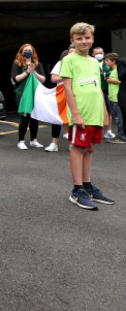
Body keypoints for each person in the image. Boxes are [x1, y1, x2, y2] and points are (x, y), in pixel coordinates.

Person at [61, 22, 114, 210]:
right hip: (81, 113)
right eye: (79, 38)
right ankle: (77, 190)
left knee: (89, 148)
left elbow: (97, 87)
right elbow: (67, 87)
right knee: (78, 147)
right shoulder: (69, 60)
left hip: (96, 113)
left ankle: (88, 185)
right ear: (72, 41)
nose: (84, 41)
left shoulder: (93, 62)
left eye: (87, 37)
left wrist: (106, 114)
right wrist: (75, 113)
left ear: (92, 39)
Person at [11, 44, 47, 150]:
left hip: (35, 93)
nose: (27, 52)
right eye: (25, 50)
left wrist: (33, 71)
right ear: (21, 52)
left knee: (35, 117)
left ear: (33, 52)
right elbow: (16, 78)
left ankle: (33, 140)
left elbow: (43, 79)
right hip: (22, 93)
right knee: (25, 116)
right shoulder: (17, 64)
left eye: (29, 50)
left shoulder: (37, 64)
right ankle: (21, 141)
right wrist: (27, 72)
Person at [45, 49, 70, 152]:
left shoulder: (81, 63)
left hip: (77, 94)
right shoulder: (60, 63)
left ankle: (73, 144)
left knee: (73, 119)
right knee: (57, 118)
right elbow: (53, 78)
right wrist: (66, 77)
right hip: (62, 93)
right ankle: (54, 144)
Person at [92, 47, 114, 138]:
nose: (99, 55)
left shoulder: (109, 63)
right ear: (93, 54)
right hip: (94, 91)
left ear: (104, 53)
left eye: (100, 53)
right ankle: (94, 132)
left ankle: (108, 130)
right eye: (96, 53)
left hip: (107, 90)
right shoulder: (90, 63)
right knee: (94, 111)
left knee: (109, 111)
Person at [105, 53, 126, 143]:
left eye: (107, 60)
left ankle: (121, 135)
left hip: (116, 96)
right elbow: (120, 78)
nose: (106, 62)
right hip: (115, 96)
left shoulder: (116, 70)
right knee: (118, 117)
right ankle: (121, 135)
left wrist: (111, 80)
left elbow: (119, 80)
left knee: (119, 118)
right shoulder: (115, 68)